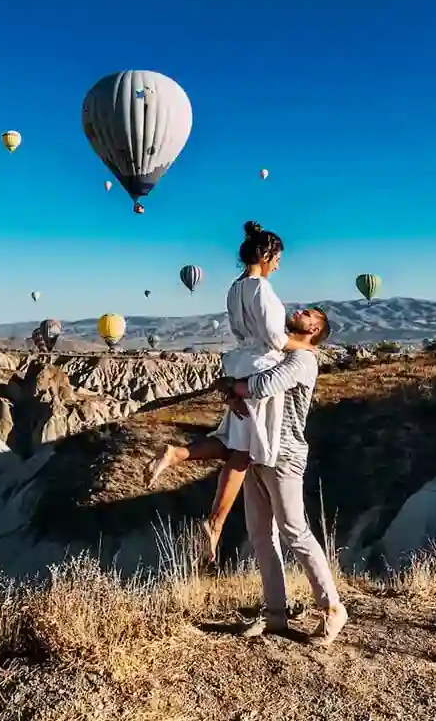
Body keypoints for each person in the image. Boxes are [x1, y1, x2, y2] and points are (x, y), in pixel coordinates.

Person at [145, 221, 292, 557]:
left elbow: (243, 333)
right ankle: (215, 523)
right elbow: (275, 337)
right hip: (261, 370)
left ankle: (177, 454)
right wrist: (303, 346)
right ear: (267, 254)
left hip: (240, 363)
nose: (279, 265)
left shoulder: (234, 288)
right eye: (278, 258)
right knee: (246, 452)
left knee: (234, 444)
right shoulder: (261, 289)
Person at [228, 307, 347, 646]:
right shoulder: (277, 353)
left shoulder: (305, 360)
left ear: (315, 329)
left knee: (295, 531)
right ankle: (275, 613)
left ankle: (332, 607)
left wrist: (234, 386)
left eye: (308, 313)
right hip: (257, 449)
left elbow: (264, 385)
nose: (298, 310)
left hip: (284, 455)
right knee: (260, 534)